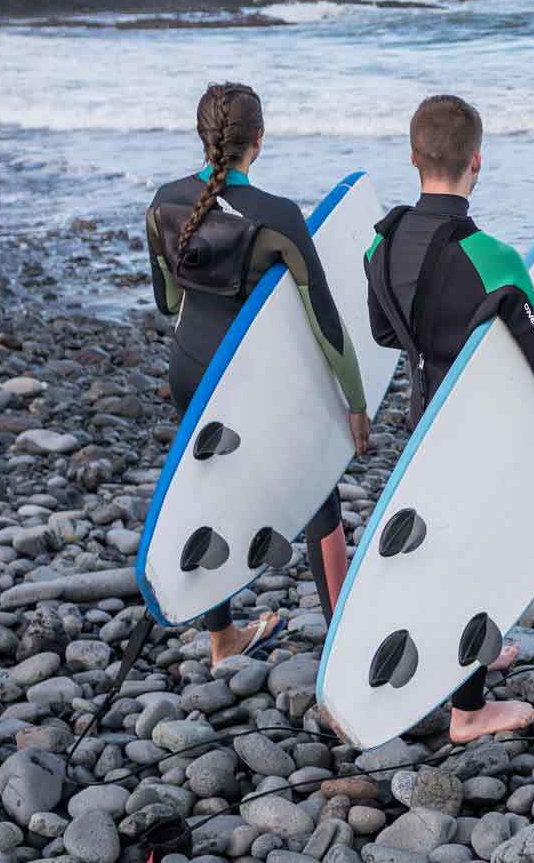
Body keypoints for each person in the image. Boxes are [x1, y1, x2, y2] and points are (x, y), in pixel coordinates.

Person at [365, 94, 534, 744]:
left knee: (447, 548)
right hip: (480, 434)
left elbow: (382, 332)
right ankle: (468, 710)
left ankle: (468, 654)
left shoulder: (380, 244)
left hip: (423, 425)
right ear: (477, 162)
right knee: (483, 557)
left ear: (414, 157)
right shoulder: (492, 258)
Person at [145, 82, 370, 666]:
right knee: (319, 492)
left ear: (202, 137)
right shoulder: (278, 217)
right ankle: (343, 645)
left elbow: (169, 303)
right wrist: (356, 403)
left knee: (209, 493)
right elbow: (326, 323)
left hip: (191, 372)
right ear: (259, 141)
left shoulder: (164, 203)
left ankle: (222, 642)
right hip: (252, 383)